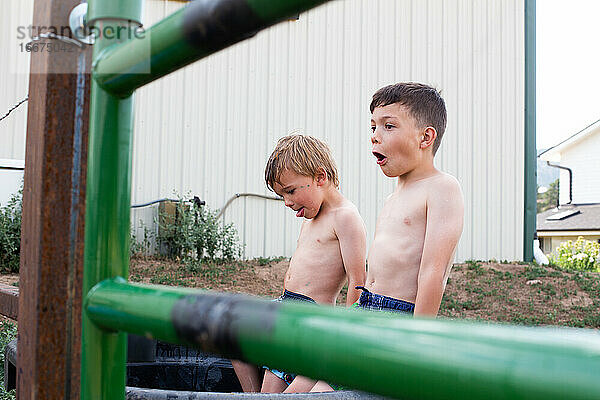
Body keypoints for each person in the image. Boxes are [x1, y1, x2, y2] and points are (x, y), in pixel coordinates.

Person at [232, 134, 367, 393]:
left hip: (311, 318)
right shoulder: (312, 215)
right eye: (281, 195)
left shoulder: (345, 217)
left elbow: (357, 281)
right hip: (287, 307)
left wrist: (348, 333)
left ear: (320, 177)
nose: (287, 202)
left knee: (284, 394)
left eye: (291, 191)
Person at [363, 82, 464, 316]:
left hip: (398, 313)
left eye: (388, 126)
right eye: (373, 127)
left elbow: (433, 272)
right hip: (366, 304)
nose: (375, 137)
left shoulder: (442, 187)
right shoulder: (393, 197)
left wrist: (417, 335)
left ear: (425, 137)